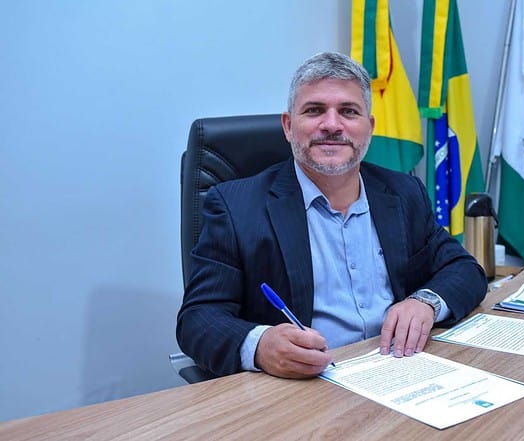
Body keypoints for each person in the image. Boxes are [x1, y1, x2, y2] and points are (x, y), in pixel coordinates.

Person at [176, 51, 487, 379]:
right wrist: (260, 345)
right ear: (288, 126)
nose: (332, 125)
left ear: (369, 127)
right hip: (303, 385)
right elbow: (198, 319)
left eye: (348, 111)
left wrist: (425, 302)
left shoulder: (403, 192)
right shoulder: (236, 206)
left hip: (398, 367)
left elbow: (464, 269)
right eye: (314, 110)